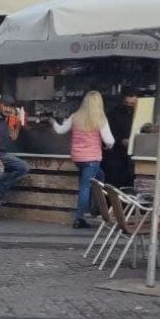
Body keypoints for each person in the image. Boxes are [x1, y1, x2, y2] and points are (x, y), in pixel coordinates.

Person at [52, 91, 114, 229]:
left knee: (99, 176)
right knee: (85, 186)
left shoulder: (75, 116)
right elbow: (109, 140)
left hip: (78, 158)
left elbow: (60, 130)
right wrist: (109, 146)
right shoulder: (100, 119)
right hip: (92, 158)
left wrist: (53, 122)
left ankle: (95, 207)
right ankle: (80, 218)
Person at [103, 89, 137, 188]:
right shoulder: (112, 114)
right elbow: (108, 135)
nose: (129, 106)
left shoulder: (139, 115)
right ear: (122, 101)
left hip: (132, 157)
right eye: (127, 103)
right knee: (114, 185)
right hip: (115, 156)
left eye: (132, 104)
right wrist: (121, 141)